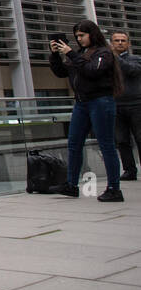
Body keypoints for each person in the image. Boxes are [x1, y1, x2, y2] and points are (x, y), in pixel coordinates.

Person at [49, 21, 124, 202]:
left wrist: (71, 54)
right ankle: (71, 184)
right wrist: (55, 56)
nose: (79, 39)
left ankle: (114, 188)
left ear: (92, 34)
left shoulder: (103, 52)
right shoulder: (80, 54)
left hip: (100, 101)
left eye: (82, 35)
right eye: (77, 36)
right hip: (82, 103)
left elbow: (93, 71)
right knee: (74, 143)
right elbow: (61, 72)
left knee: (106, 145)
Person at [109, 31, 140, 182]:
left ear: (128, 44)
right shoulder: (108, 61)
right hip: (116, 105)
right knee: (122, 140)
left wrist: (115, 58)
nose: (120, 43)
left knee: (140, 138)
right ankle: (129, 170)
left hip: (136, 105)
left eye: (123, 40)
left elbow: (132, 70)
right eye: (116, 40)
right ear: (111, 43)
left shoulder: (136, 59)